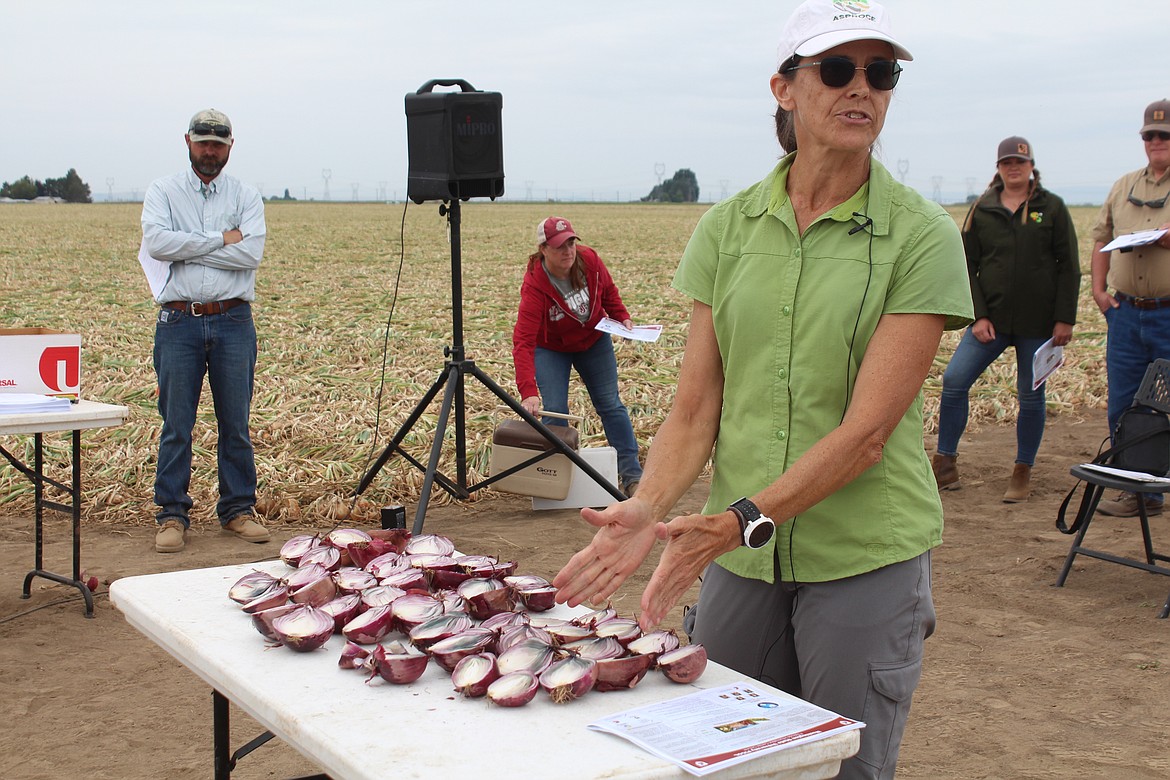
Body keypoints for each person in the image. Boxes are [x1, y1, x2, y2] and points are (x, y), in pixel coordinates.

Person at [552, 2, 972, 778]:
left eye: (880, 74)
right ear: (783, 89)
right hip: (742, 561)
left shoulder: (921, 234)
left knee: (844, 765)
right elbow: (694, 409)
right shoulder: (728, 227)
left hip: (860, 558)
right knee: (729, 759)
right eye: (838, 70)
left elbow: (867, 434)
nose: (863, 89)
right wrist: (650, 504)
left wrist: (739, 520)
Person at [140, 109, 269, 553]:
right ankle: (171, 514)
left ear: (230, 145)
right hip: (178, 321)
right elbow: (157, 243)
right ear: (188, 142)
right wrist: (221, 238)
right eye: (202, 142)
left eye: (218, 143)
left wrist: (190, 244)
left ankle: (237, 510)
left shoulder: (246, 195)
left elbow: (250, 255)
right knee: (176, 424)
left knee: (236, 423)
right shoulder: (163, 191)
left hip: (234, 320)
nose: (210, 150)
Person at [932, 136, 1080, 502]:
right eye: (1007, 162)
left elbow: (1069, 267)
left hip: (1039, 324)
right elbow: (967, 265)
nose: (1013, 168)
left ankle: (1022, 470)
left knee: (1031, 397)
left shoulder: (1053, 208)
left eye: (1020, 162)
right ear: (998, 168)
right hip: (991, 322)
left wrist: (1064, 319)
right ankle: (945, 464)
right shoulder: (983, 208)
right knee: (954, 380)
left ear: (1031, 167)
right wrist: (977, 315)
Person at [511, 216, 644, 496]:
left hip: (594, 340)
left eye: (571, 242)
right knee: (556, 411)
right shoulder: (535, 285)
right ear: (543, 249)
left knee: (610, 404)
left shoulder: (589, 261)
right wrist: (528, 391)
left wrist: (622, 317)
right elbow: (523, 340)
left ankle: (632, 475)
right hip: (552, 348)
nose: (568, 251)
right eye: (560, 246)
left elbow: (608, 292)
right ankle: (555, 483)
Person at [1090, 99, 1170, 518]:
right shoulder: (1123, 186)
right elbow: (1101, 236)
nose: (1156, 141)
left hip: (1169, 314)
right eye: (1149, 136)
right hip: (1125, 314)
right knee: (1123, 403)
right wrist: (1099, 291)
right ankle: (1140, 491)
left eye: (1164, 135)